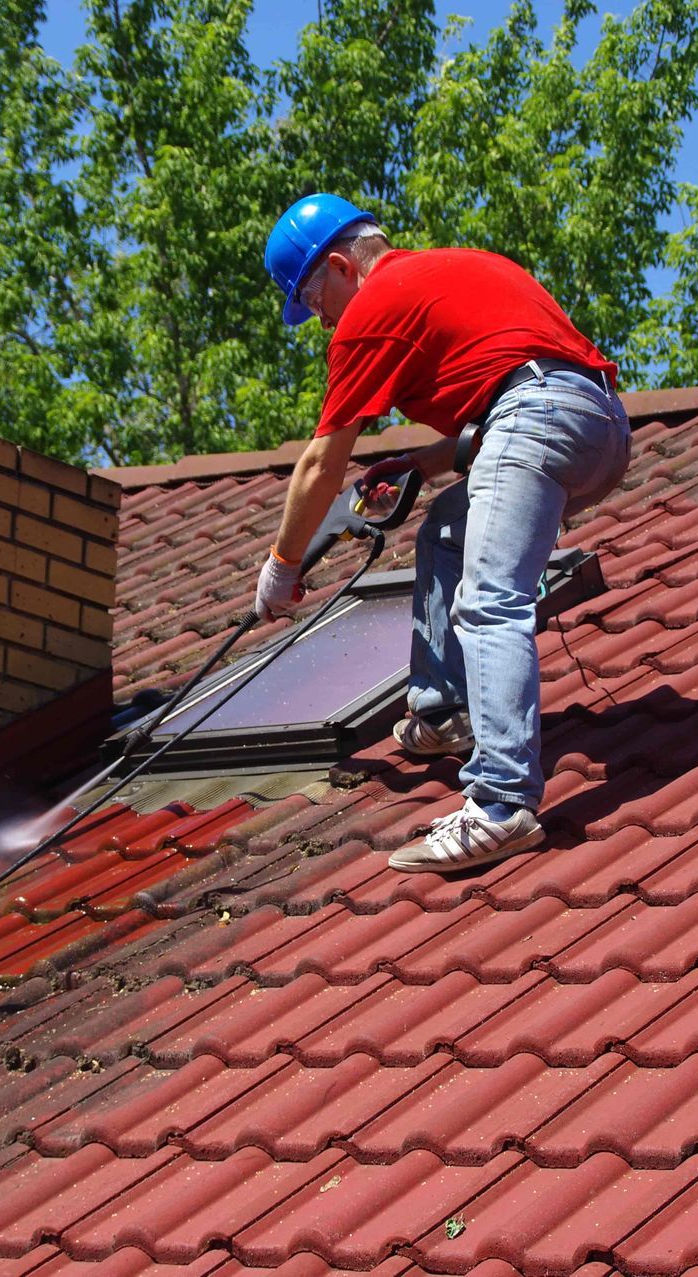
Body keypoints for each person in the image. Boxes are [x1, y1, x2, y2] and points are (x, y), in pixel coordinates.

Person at [257, 193, 630, 873]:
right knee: (448, 532)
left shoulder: (370, 309)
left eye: (316, 303)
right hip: (601, 426)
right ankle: (441, 711)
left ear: (340, 266)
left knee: (490, 599)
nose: (323, 322)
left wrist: (283, 564)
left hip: (535, 416)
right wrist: (424, 462)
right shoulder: (456, 267)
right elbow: (529, 390)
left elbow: (320, 461)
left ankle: (500, 805)